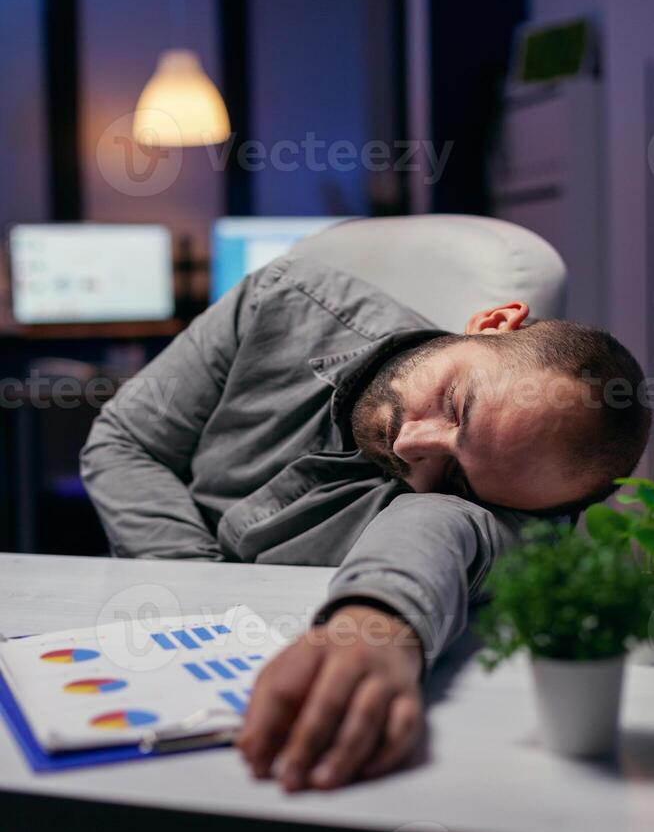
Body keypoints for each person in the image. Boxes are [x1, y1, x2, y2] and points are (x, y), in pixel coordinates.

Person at [81, 257, 650, 793]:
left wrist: (377, 624)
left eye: (455, 476)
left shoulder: (518, 506)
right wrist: (199, 608)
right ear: (494, 322)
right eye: (455, 404)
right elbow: (125, 442)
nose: (411, 445)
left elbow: (441, 529)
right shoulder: (282, 300)